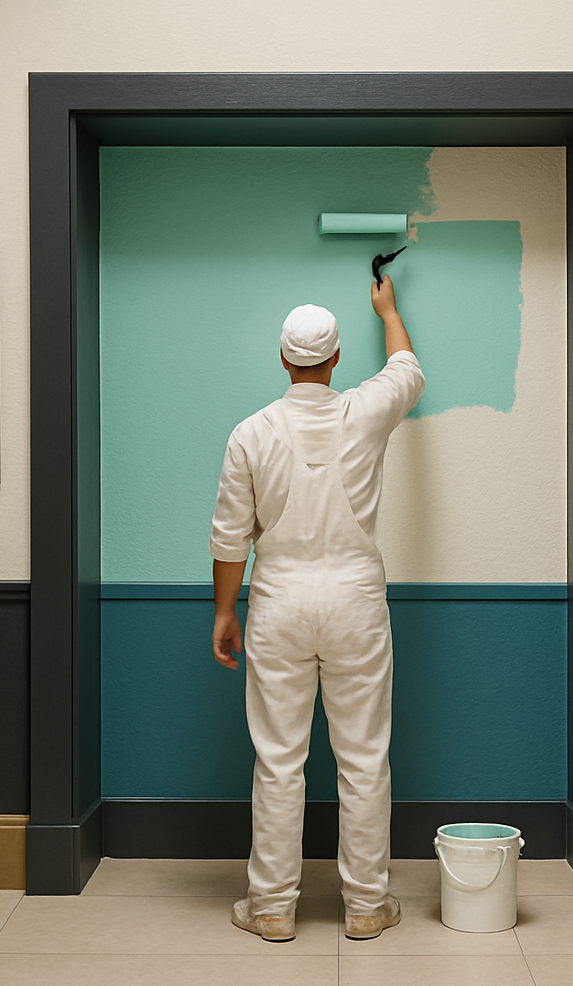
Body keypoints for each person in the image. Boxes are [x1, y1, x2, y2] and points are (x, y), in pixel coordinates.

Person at [209, 275, 424, 942]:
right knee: (364, 758)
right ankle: (365, 905)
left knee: (279, 758)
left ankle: (272, 906)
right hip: (355, 600)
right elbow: (407, 369)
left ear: (283, 359)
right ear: (333, 361)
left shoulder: (250, 433)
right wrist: (388, 311)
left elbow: (228, 535)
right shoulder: (364, 410)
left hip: (278, 600)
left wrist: (224, 613)